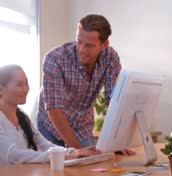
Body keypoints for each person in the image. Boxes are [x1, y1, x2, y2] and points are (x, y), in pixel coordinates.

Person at [37, 14, 121, 148]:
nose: (81, 50)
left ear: (104, 44)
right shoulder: (55, 59)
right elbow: (54, 108)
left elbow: (113, 101)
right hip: (51, 124)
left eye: (89, 46)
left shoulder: (111, 57)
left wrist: (118, 142)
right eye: (79, 42)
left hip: (82, 126)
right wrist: (77, 150)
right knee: (56, 167)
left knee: (86, 167)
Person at [0, 65, 100, 166]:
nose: (26, 89)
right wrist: (64, 156)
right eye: (19, 85)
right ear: (1, 89)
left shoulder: (23, 118)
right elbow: (14, 155)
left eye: (26, 83)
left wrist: (75, 151)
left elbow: (46, 145)